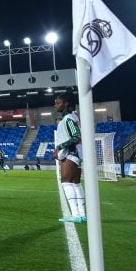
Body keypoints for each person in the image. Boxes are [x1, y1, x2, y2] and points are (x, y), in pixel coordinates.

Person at [54, 91, 86, 223]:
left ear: (66, 104)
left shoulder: (68, 119)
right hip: (78, 153)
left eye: (58, 103)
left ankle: (75, 214)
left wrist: (60, 147)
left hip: (72, 153)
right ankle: (81, 215)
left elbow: (77, 136)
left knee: (66, 182)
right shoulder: (73, 117)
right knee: (76, 183)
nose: (55, 105)